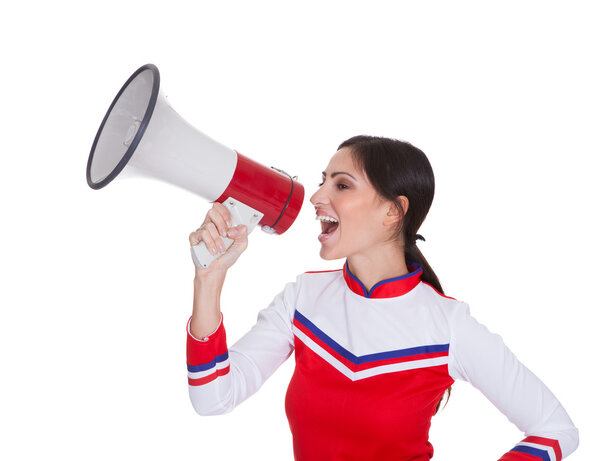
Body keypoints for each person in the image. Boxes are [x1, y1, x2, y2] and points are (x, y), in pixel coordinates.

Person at [186, 135, 579, 460]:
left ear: (393, 211)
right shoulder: (302, 299)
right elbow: (213, 397)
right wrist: (209, 279)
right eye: (323, 181)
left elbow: (556, 430)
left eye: (341, 184)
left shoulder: (448, 326)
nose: (317, 196)